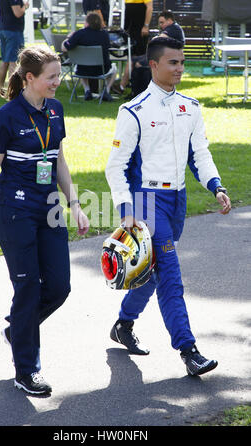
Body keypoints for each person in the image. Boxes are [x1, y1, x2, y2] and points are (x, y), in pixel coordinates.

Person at [105, 37, 231, 376]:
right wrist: (125, 207)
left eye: (182, 62)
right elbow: (114, 167)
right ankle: (188, 350)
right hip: (146, 202)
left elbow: (199, 153)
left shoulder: (190, 106)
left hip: (177, 201)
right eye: (173, 63)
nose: (180, 68)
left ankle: (123, 325)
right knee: (171, 276)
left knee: (152, 274)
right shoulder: (133, 111)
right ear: (154, 65)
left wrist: (215, 185)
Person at [0, 45, 90, 395]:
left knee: (58, 287)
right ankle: (27, 370)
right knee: (26, 288)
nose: (58, 81)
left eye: (58, 75)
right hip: (15, 210)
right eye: (51, 77)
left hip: (50, 208)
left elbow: (58, 161)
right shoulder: (6, 115)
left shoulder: (55, 109)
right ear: (29, 78)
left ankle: (18, 330)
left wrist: (75, 204)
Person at [62, 11, 117, 102]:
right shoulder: (104, 35)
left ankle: (87, 90)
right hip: (101, 70)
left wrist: (68, 38)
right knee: (114, 68)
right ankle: (106, 91)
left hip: (82, 70)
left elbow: (64, 48)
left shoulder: (79, 34)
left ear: (87, 22)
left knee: (81, 65)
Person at [0, 0, 29, 95]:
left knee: (5, 60)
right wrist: (25, 6)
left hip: (4, 28)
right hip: (13, 31)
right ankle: (13, 90)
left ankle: (1, 89)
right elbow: (18, 13)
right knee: (13, 61)